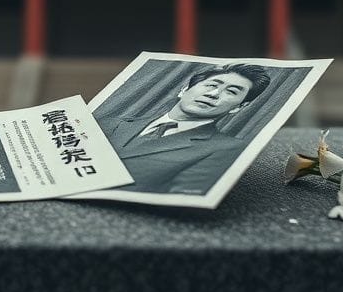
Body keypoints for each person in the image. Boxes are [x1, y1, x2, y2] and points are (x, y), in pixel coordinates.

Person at [100, 63, 272, 196]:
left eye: (232, 92)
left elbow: (183, 196)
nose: (214, 94)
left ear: (238, 108)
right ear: (184, 90)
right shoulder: (111, 124)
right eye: (211, 85)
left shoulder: (226, 148)